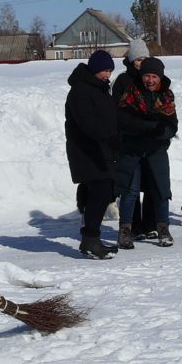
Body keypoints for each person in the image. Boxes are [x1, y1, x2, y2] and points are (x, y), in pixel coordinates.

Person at [115, 57, 178, 247]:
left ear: (160, 78)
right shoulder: (130, 94)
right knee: (130, 190)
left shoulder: (166, 96)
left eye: (154, 77)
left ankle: (163, 229)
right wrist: (148, 127)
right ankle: (125, 230)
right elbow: (123, 122)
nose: (150, 80)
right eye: (147, 76)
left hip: (155, 150)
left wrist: (161, 132)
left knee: (160, 189)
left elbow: (172, 126)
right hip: (132, 150)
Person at [64, 49, 120, 259]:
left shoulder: (99, 89)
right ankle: (90, 239)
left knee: (102, 190)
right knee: (101, 189)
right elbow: (87, 123)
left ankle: (91, 238)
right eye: (105, 70)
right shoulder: (81, 91)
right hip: (86, 150)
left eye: (110, 71)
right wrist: (108, 136)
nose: (108, 75)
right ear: (95, 69)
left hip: (100, 148)